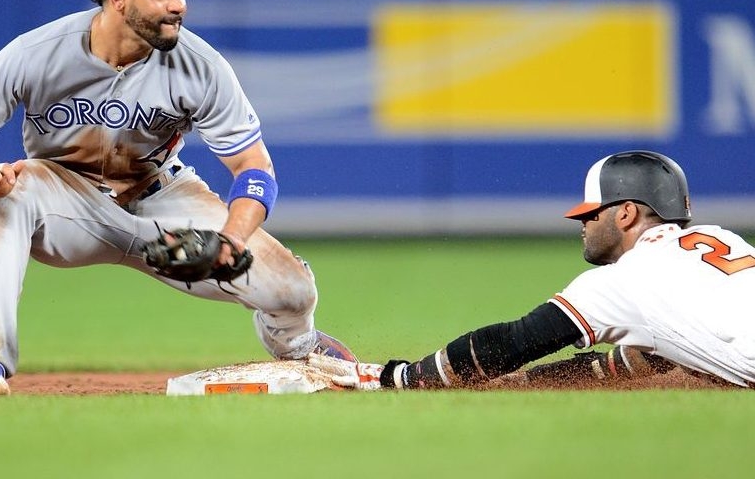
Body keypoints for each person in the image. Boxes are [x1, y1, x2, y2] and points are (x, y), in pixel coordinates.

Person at [0, 0, 355, 398]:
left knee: (294, 292)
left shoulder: (201, 65)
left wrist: (230, 241)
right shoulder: (39, 52)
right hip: (70, 205)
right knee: (13, 191)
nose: (179, 5)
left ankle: (298, 345)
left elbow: (254, 169)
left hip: (165, 201)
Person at [310, 150, 755, 390]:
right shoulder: (722, 240)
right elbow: (638, 361)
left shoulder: (626, 280)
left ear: (625, 215)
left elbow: (514, 341)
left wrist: (397, 376)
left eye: (591, 213)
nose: (583, 223)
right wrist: (528, 382)